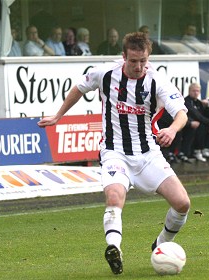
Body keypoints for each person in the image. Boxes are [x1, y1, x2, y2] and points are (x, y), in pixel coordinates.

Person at [37, 32, 190, 275]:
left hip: (148, 154)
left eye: (143, 61)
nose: (139, 67)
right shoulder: (106, 74)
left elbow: (181, 112)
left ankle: (160, 245)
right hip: (114, 152)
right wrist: (58, 115)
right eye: (133, 61)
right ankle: (114, 249)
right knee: (115, 197)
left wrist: (171, 129)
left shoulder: (157, 81)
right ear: (123, 57)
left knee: (182, 203)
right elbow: (79, 87)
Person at [182, 82, 209, 162]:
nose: (196, 93)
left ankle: (206, 149)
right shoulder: (186, 102)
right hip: (187, 125)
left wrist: (208, 107)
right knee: (201, 125)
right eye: (193, 91)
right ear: (189, 91)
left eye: (197, 91)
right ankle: (197, 151)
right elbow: (197, 115)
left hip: (198, 123)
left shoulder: (199, 103)